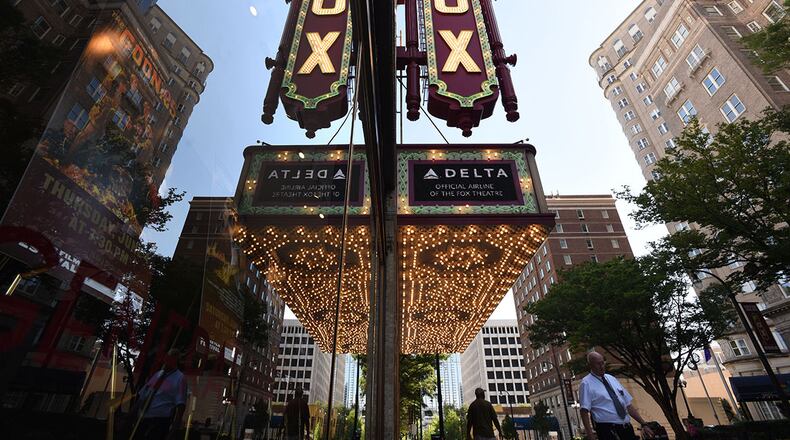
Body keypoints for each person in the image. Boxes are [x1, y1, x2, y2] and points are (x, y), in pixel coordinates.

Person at [579, 351, 654, 440]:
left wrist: (643, 423)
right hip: (608, 429)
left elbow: (628, 405)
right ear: (590, 365)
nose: (602, 366)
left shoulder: (612, 379)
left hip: (626, 427)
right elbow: (584, 411)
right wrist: (590, 435)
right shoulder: (586, 383)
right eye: (598, 364)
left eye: (603, 363)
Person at [134, 348, 188, 440]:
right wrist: (132, 414)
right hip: (143, 418)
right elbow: (143, 395)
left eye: (170, 358)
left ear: (175, 361)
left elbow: (181, 405)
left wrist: (173, 430)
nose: (166, 361)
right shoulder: (158, 374)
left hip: (160, 421)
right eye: (167, 358)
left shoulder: (180, 378)